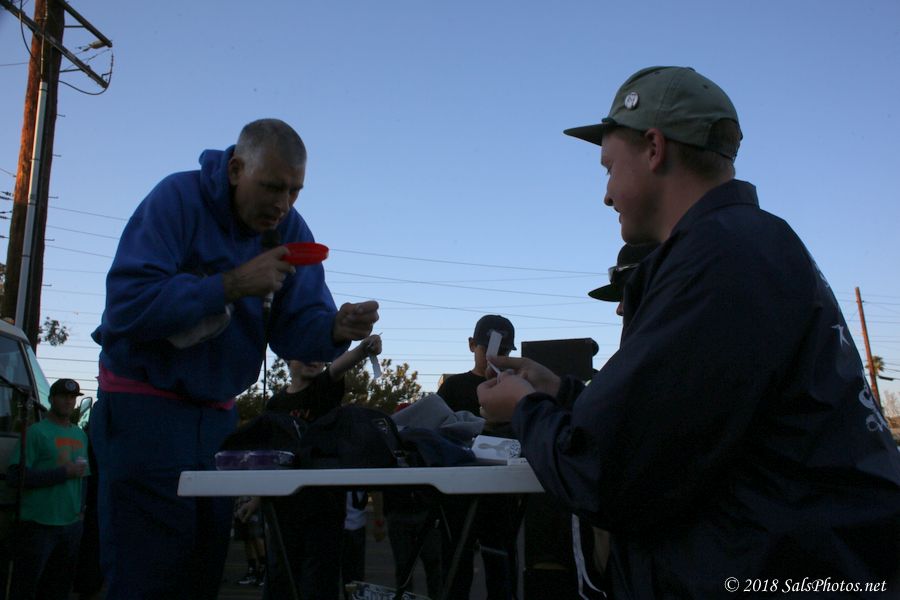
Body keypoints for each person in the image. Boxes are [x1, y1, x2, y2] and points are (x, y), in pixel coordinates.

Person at [479, 66, 900, 597]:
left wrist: (523, 408)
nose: (605, 195)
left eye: (609, 168)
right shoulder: (745, 243)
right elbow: (677, 424)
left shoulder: (720, 258)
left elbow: (605, 475)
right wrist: (559, 393)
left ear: (654, 149)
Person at [90, 118, 379, 600]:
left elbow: (296, 330)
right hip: (144, 411)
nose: (282, 204)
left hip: (220, 423)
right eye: (272, 187)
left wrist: (334, 329)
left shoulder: (289, 229)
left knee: (203, 574)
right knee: (146, 574)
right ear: (235, 169)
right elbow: (126, 307)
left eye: (294, 191)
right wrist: (231, 284)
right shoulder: (177, 200)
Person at [262, 334, 381, 600]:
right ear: (288, 359)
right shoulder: (275, 405)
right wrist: (256, 497)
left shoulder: (324, 389)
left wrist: (364, 348)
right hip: (284, 506)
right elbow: (270, 456)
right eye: (305, 352)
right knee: (281, 576)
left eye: (319, 354)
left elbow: (339, 366)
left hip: (324, 504)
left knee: (318, 580)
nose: (313, 359)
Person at [437, 315, 521, 600]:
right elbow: (437, 431)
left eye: (504, 351)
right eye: (488, 348)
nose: (495, 357)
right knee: (456, 567)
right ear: (472, 345)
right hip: (458, 491)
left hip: (501, 492)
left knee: (501, 567)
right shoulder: (453, 387)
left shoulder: (514, 388)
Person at [6, 378, 90, 600]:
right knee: (25, 587)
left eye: (72, 397)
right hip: (38, 525)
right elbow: (15, 476)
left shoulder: (80, 435)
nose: (69, 401)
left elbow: (84, 478)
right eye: (63, 396)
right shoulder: (35, 432)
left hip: (70, 526)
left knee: (58, 590)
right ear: (51, 399)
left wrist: (81, 511)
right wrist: (62, 473)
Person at [233, 495, 266, 587]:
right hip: (239, 501)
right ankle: (252, 570)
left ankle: (263, 570)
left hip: (253, 500)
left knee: (256, 535)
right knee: (246, 537)